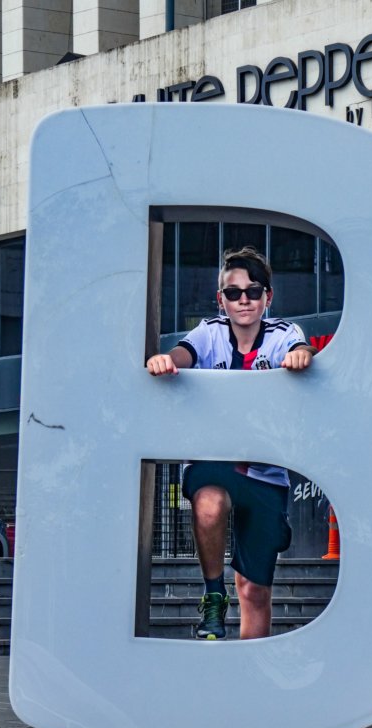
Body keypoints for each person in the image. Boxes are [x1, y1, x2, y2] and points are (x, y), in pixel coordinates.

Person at [147, 246, 316, 640]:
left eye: (253, 292)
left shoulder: (282, 334)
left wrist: (301, 356)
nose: (244, 300)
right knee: (209, 503)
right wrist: (165, 361)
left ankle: (249, 668)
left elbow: (301, 349)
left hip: (264, 473)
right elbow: (182, 354)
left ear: (267, 297)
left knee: (254, 590)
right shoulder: (209, 332)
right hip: (214, 462)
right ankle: (213, 595)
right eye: (234, 292)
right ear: (220, 299)